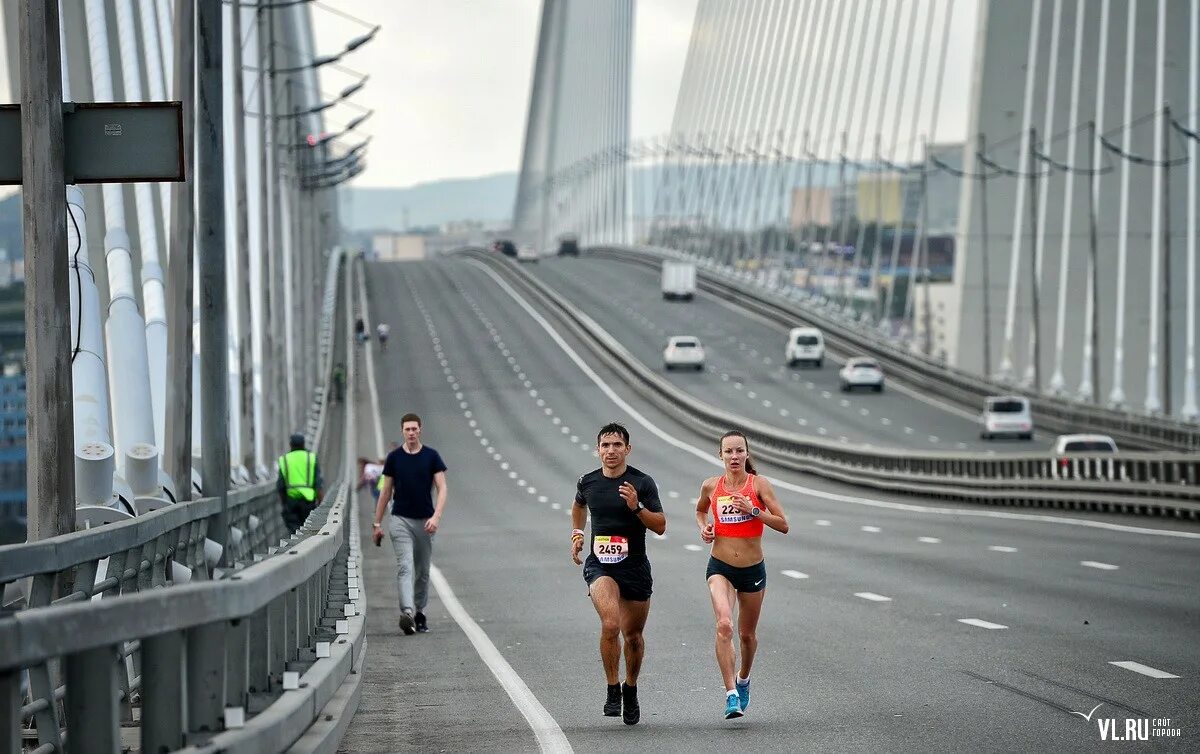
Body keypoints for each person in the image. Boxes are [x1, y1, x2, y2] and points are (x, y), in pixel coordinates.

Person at [571, 422, 666, 726]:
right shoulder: (587, 481)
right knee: (610, 623)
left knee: (634, 637)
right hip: (600, 565)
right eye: (605, 446)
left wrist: (636, 507)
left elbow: (661, 526)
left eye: (616, 445)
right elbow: (578, 506)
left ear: (627, 448)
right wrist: (577, 532)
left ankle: (631, 688)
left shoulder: (642, 482)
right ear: (597, 450)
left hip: (635, 566)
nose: (611, 451)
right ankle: (613, 688)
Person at [695, 430, 788, 719]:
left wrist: (754, 510)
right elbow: (700, 511)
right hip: (720, 566)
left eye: (739, 451)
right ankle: (731, 694)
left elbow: (784, 525)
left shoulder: (758, 484)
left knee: (747, 635)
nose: (734, 456)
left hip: (752, 570)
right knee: (724, 624)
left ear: (747, 454)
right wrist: (705, 527)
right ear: (719, 455)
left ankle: (743, 679)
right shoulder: (711, 486)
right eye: (728, 452)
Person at [372, 414, 447, 635]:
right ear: (402, 431)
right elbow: (386, 492)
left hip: (425, 521)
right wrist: (377, 523)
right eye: (407, 429)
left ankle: (420, 611)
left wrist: (436, 517)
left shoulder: (431, 456)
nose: (411, 432)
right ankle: (406, 612)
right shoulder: (394, 458)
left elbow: (442, 488)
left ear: (420, 430)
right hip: (400, 520)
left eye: (415, 428)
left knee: (423, 570)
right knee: (405, 566)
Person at [277, 433, 323, 534]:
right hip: (308, 502)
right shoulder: (311, 458)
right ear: (303, 444)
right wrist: (321, 504)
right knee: (308, 531)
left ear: (291, 445)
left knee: (295, 531)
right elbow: (318, 483)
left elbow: (280, 486)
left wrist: (284, 504)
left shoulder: (285, 460)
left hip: (291, 502)